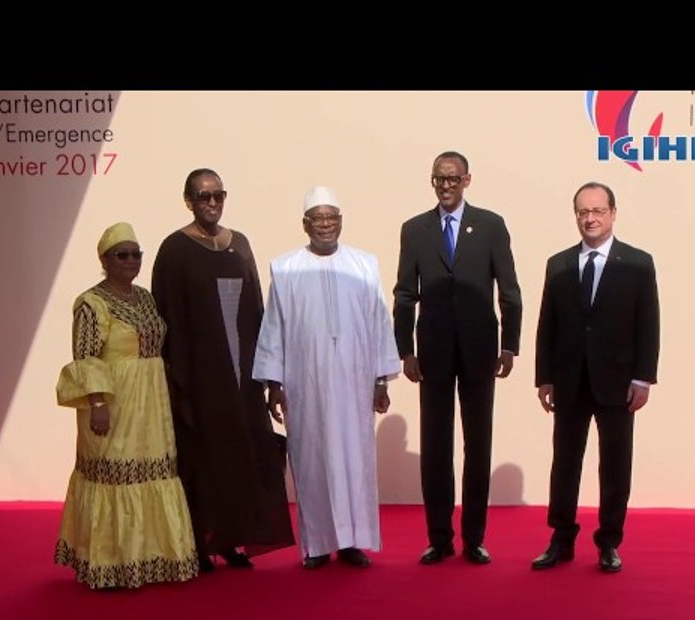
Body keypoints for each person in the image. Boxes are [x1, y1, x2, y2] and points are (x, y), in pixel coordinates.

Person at [152, 168, 295, 572]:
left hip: (244, 378)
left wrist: (271, 379)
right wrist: (177, 381)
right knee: (204, 461)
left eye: (218, 195)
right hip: (201, 378)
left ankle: (233, 540)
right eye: (203, 196)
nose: (212, 203)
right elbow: (167, 319)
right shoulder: (175, 250)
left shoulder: (241, 244)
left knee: (242, 458)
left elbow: (259, 313)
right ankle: (199, 544)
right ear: (189, 201)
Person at [253, 186, 401, 570]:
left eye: (331, 217)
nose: (325, 225)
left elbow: (380, 322)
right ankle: (317, 544)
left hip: (354, 385)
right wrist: (273, 385)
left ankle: (352, 541)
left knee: (355, 461)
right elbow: (274, 328)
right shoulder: (285, 269)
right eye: (317, 219)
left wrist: (381, 379)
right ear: (305, 224)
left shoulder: (364, 265)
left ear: (341, 221)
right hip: (307, 386)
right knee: (313, 460)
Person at [393, 151, 522, 565]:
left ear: (467, 180)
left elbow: (510, 289)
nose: (445, 186)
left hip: (480, 351)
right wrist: (405, 350)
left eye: (452, 179)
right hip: (431, 353)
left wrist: (509, 345)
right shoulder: (414, 230)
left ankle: (474, 538)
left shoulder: (490, 225)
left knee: (477, 443)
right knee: (435, 446)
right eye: (438, 180)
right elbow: (404, 294)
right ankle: (439, 538)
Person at [54, 221, 199, 589]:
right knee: (114, 474)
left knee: (154, 473)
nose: (131, 260)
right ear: (104, 259)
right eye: (122, 254)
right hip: (114, 401)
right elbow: (85, 358)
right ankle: (113, 564)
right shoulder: (91, 303)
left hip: (151, 403)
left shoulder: (146, 297)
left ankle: (153, 558)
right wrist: (98, 403)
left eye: (136, 254)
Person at [532, 181, 660, 573]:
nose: (589, 218)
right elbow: (547, 324)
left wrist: (643, 379)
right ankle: (561, 538)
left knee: (615, 465)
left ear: (613, 213)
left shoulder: (637, 263)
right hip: (569, 381)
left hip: (618, 383)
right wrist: (545, 377)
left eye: (597, 211)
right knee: (565, 463)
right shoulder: (559, 264)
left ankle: (609, 542)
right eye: (582, 212)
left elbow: (648, 324)